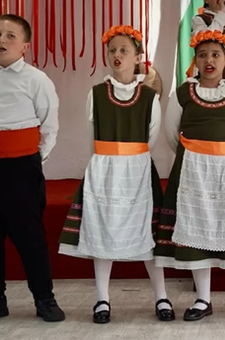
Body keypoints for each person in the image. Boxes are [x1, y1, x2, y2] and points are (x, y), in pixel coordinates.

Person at [58, 25, 174, 323]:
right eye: (112, 50)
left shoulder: (149, 97)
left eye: (124, 50)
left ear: (138, 57)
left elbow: (150, 139)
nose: (117, 55)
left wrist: (129, 159)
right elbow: (91, 136)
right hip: (105, 169)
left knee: (147, 234)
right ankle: (102, 299)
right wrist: (104, 164)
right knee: (102, 229)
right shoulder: (96, 94)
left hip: (137, 171)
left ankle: (161, 295)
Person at [0, 14, 65, 323]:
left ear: (25, 46)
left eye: (10, 36)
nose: (1, 40)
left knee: (29, 236)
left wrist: (31, 161)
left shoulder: (36, 80)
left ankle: (44, 299)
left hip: (18, 168)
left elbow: (49, 126)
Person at [155, 30, 225, 321]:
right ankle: (203, 299)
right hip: (192, 173)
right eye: (202, 55)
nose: (209, 60)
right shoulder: (183, 94)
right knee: (196, 232)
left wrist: (222, 155)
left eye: (215, 54)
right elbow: (171, 134)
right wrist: (197, 155)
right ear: (196, 61)